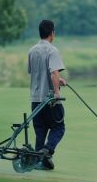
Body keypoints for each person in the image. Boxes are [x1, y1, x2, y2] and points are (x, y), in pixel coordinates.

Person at [27, 20, 67, 170]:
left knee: (40, 130)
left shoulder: (32, 50)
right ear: (52, 33)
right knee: (59, 127)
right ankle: (47, 150)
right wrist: (56, 93)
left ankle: (39, 161)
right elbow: (53, 72)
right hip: (49, 99)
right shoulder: (52, 51)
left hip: (35, 100)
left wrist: (59, 80)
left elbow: (37, 73)